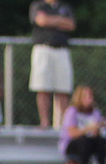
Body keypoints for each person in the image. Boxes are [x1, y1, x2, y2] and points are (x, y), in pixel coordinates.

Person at [28, 0, 75, 128]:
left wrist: (51, 20)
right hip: (43, 48)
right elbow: (41, 21)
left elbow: (70, 24)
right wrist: (60, 20)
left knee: (63, 88)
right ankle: (44, 122)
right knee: (42, 87)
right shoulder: (38, 5)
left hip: (61, 49)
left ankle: (66, 124)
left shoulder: (64, 7)